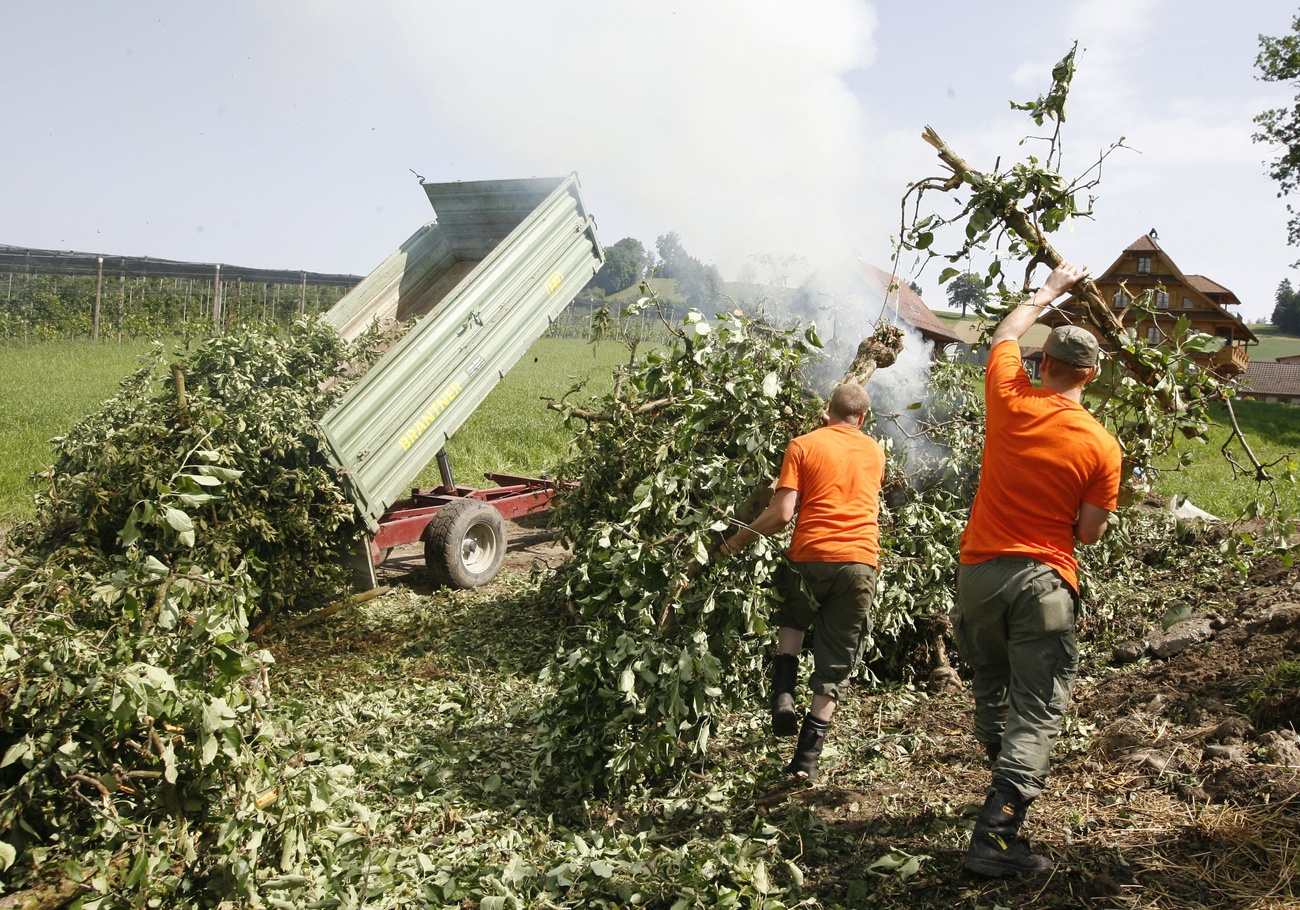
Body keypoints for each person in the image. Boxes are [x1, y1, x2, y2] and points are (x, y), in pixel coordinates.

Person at [952, 261, 1122, 877]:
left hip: (978, 575)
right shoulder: (1102, 445)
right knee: (1038, 706)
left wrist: (1049, 290)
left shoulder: (1008, 395)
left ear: (1042, 361)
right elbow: (1089, 532)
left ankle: (1002, 772)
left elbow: (1003, 335)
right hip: (1042, 580)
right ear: (1092, 375)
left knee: (993, 684)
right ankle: (995, 838)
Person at [720, 381, 886, 785]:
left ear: (827, 411)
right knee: (835, 663)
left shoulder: (803, 444)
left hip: (809, 555)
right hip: (860, 564)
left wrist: (737, 540)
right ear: (862, 418)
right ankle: (806, 760)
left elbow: (781, 514)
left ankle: (783, 693)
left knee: (792, 618)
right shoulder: (875, 451)